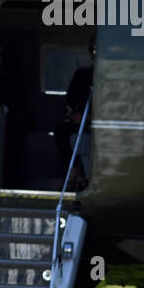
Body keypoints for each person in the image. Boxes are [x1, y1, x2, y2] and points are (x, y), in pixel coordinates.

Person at [54, 40, 95, 189]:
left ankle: (81, 177)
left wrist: (89, 116)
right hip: (79, 121)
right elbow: (69, 101)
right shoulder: (82, 74)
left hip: (98, 122)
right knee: (60, 130)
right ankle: (74, 172)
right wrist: (73, 115)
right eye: (93, 51)